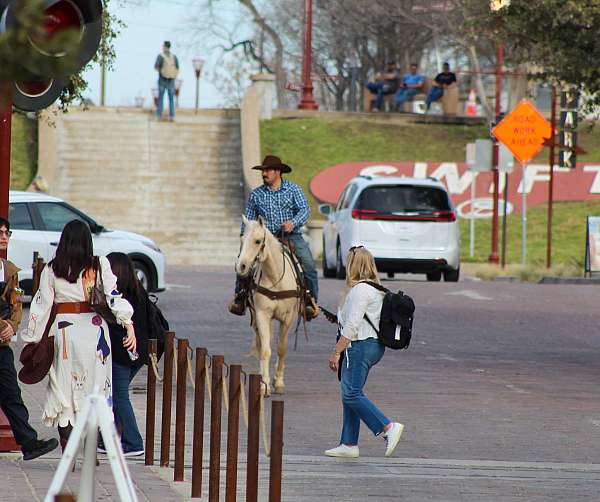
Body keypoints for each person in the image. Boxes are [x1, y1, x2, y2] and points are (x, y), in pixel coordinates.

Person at [22, 220, 136, 451]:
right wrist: (128, 323)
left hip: (65, 331)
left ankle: (67, 443)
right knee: (96, 388)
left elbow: (41, 306)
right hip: (95, 332)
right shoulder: (99, 264)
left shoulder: (52, 269)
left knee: (64, 388)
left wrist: (32, 338)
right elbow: (113, 296)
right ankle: (91, 445)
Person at [325, 246, 403, 458]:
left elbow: (352, 326)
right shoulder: (376, 288)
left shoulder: (360, 290)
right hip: (372, 346)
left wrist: (336, 352)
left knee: (351, 393)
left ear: (353, 265)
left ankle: (387, 427)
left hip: (359, 346)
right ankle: (348, 444)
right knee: (350, 392)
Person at [228, 155, 319, 319]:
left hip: (290, 236)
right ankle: (239, 297)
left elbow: (305, 209)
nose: (264, 174)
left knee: (309, 266)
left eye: (267, 171)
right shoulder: (256, 195)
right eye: (263, 171)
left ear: (278, 172)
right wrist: (244, 239)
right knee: (243, 262)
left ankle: (309, 302)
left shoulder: (293, 190)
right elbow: (248, 221)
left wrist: (293, 222)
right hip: (264, 241)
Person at [0, 218, 58, 460]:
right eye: (0, 232)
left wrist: (12, 326)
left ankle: (29, 443)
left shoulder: (10, 270)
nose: (4, 236)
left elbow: (16, 301)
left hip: (1, 344)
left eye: (7, 232)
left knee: (11, 393)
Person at [100, 253, 149, 457]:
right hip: (136, 354)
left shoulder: (121, 299)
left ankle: (133, 442)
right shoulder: (138, 292)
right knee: (112, 395)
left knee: (118, 396)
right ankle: (108, 438)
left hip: (123, 354)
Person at [154, 41, 179, 121]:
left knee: (161, 98)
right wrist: (173, 75)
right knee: (171, 98)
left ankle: (159, 115)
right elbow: (177, 68)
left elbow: (156, 67)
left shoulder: (160, 56)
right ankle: (172, 116)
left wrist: (162, 71)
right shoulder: (174, 57)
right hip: (171, 80)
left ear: (164, 46)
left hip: (162, 80)